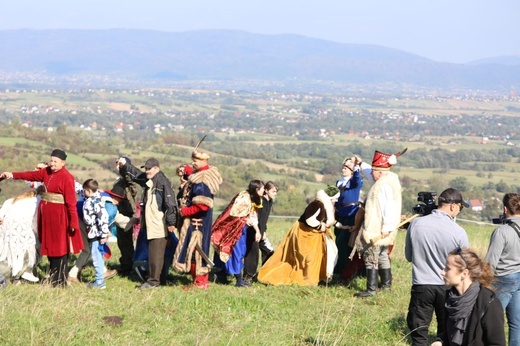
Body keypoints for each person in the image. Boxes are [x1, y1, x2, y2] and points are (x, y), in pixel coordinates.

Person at [0, 149, 83, 287]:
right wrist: (12, 175)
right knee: (50, 247)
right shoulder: (46, 172)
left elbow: (71, 203)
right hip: (47, 216)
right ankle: (54, 278)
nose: (52, 164)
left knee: (60, 249)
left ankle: (59, 281)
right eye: (51, 161)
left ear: (63, 163)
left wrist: (73, 222)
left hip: (59, 217)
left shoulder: (67, 178)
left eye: (55, 162)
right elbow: (31, 175)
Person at [405, 188, 470, 346]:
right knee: (446, 330)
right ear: (453, 206)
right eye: (460, 208)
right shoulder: (459, 232)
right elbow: (465, 263)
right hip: (447, 286)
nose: (459, 212)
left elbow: (408, 256)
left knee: (418, 330)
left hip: (421, 284)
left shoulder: (416, 224)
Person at [258, 186, 339, 286]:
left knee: (316, 258)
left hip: (314, 235)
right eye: (335, 198)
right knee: (307, 258)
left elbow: (328, 220)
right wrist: (319, 226)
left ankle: (312, 278)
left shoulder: (326, 206)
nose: (336, 200)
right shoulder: (317, 205)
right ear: (329, 198)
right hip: (304, 234)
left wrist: (341, 226)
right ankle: (306, 280)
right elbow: (309, 219)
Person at [117, 157, 178, 289]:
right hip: (153, 224)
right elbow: (137, 175)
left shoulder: (162, 183)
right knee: (155, 254)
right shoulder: (151, 180)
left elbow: (171, 204)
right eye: (146, 169)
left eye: (150, 169)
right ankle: (158, 279)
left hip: (158, 225)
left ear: (157, 169)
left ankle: (153, 282)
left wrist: (171, 222)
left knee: (155, 255)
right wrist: (126, 165)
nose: (147, 171)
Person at [354, 149, 405, 298]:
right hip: (384, 228)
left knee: (372, 257)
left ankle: (371, 290)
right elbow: (371, 172)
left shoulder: (383, 186)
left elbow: (387, 207)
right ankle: (386, 287)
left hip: (378, 228)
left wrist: (386, 229)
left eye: (374, 171)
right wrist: (361, 164)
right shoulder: (388, 179)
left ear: (380, 172)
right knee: (383, 255)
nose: (372, 174)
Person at [172, 145, 222, 290]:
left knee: (196, 251)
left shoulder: (202, 179)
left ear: (203, 161)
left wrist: (185, 211)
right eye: (192, 160)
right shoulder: (206, 172)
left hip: (197, 222)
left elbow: (203, 205)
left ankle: (200, 283)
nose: (193, 162)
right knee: (196, 250)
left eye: (195, 160)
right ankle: (198, 281)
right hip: (200, 221)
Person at [441, 247, 505, 346]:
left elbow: (497, 343)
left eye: (447, 268)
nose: (442, 272)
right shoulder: (450, 299)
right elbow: (444, 334)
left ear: (464, 273)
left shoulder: (489, 303)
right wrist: (439, 341)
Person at [212, 180, 264, 287]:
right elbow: (234, 214)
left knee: (238, 252)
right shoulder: (243, 198)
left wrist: (257, 231)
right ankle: (238, 280)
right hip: (234, 229)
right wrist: (244, 221)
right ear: (257, 189)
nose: (264, 191)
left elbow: (252, 216)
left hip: (241, 229)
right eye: (262, 189)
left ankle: (226, 276)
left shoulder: (253, 199)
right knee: (236, 252)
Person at [484, 192, 520, 345]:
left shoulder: (502, 232)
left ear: (505, 209)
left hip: (502, 279)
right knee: (516, 322)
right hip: (519, 277)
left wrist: (483, 285)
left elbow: (490, 262)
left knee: (492, 320)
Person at [334, 155, 372, 276]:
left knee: (345, 243)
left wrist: (356, 167)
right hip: (339, 214)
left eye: (347, 167)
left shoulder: (356, 181)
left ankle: (343, 269)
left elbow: (357, 178)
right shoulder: (339, 182)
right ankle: (339, 266)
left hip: (351, 214)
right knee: (338, 240)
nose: (344, 169)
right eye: (343, 166)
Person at [0, 187, 43, 283]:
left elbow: (1, 215)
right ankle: (21, 275)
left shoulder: (12, 200)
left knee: (10, 256)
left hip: (7, 232)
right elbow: (37, 221)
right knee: (27, 255)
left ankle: (13, 275)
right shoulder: (39, 201)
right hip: (25, 231)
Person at [243, 181, 278, 284]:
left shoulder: (269, 201)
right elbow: (256, 217)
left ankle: (265, 275)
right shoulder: (260, 201)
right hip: (253, 231)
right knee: (252, 255)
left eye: (276, 191)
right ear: (266, 191)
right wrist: (257, 231)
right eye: (273, 191)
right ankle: (248, 277)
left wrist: (264, 231)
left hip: (261, 233)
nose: (275, 193)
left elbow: (264, 219)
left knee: (270, 252)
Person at [111, 157, 140, 277]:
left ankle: (127, 267)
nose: (118, 167)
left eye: (120, 165)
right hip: (119, 211)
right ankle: (125, 263)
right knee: (121, 242)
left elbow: (134, 187)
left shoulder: (130, 179)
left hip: (126, 212)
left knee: (126, 242)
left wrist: (125, 169)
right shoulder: (120, 180)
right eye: (117, 164)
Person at [82, 179, 112, 289]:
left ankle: (100, 281)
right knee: (97, 256)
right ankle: (99, 280)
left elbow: (103, 218)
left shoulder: (95, 202)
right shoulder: (92, 198)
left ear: (89, 191)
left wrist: (103, 234)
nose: (83, 192)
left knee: (96, 257)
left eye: (85, 190)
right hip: (94, 233)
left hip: (97, 234)